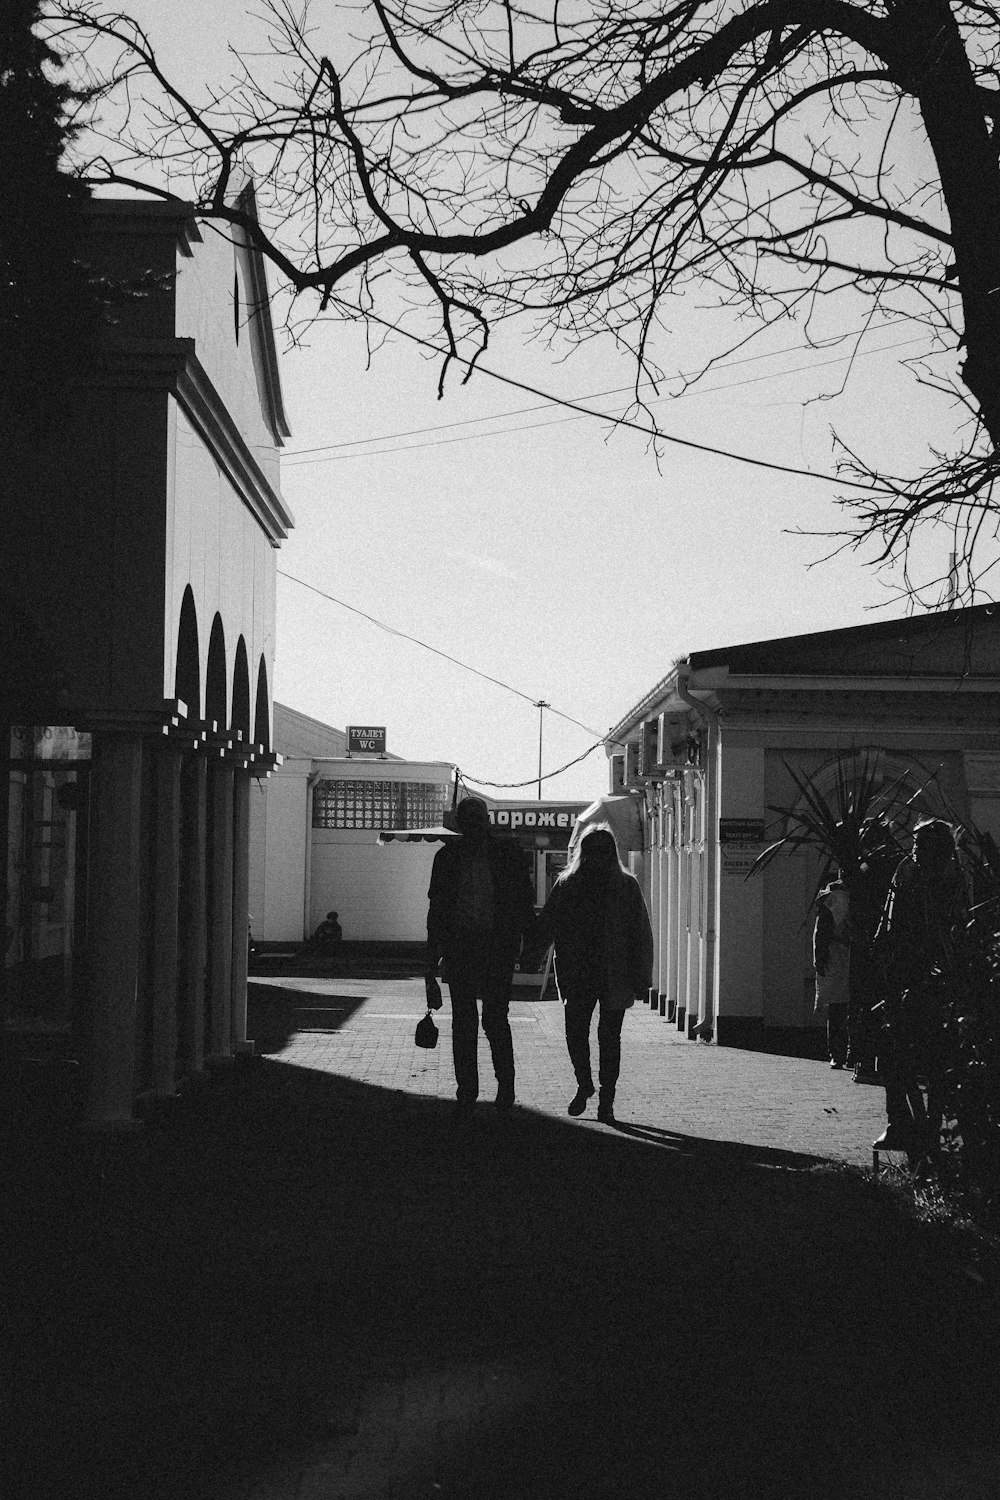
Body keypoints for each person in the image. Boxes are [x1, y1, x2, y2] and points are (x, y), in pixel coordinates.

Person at [533, 825, 653, 1126]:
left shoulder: (570, 884)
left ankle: (590, 1087)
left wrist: (532, 956)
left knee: (579, 1033)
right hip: (612, 971)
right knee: (608, 1038)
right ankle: (602, 1098)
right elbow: (641, 934)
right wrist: (642, 977)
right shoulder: (622, 885)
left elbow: (547, 924)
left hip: (583, 972)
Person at [425, 796, 536, 1119]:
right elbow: (437, 911)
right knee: (468, 1021)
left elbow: (522, 904)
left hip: (492, 949)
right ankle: (471, 1089)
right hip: (466, 950)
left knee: (490, 1019)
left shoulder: (505, 855)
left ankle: (499, 1086)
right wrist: (431, 960)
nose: (473, 825)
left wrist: (431, 960)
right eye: (469, 820)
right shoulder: (447, 858)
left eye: (476, 819)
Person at [872, 818, 966, 1157]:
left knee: (924, 1060)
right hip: (919, 979)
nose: (916, 852)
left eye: (922, 846)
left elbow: (893, 929)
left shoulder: (946, 879)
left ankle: (920, 1128)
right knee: (899, 1055)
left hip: (935, 982)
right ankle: (905, 1125)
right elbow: (889, 926)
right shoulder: (913, 873)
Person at [813, 879, 851, 1068]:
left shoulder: (827, 905)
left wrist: (819, 960)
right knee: (848, 1008)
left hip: (834, 960)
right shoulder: (855, 901)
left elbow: (820, 935)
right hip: (851, 959)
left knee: (836, 1009)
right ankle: (850, 1052)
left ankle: (837, 1053)